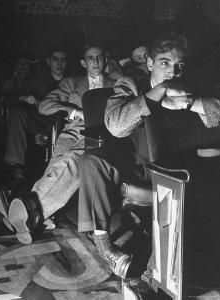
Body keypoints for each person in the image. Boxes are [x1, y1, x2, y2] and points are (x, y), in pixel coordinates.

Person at [75, 32, 220, 280]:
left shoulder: (188, 88)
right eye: (165, 63)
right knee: (91, 160)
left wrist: (188, 102)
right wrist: (159, 93)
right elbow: (116, 126)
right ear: (150, 64)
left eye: (179, 66)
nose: (173, 72)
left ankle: (160, 270)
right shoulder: (129, 84)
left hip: (175, 165)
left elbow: (216, 114)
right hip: (135, 163)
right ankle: (104, 244)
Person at [2, 44, 114, 244]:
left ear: (106, 60)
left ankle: (28, 207)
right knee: (57, 167)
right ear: (83, 62)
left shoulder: (117, 84)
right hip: (72, 132)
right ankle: (35, 218)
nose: (95, 62)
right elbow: (45, 106)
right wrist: (74, 112)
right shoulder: (72, 83)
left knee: (71, 162)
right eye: (90, 58)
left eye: (99, 57)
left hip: (100, 135)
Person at [3, 46, 68, 192]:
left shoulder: (71, 80)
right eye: (55, 59)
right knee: (17, 113)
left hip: (61, 123)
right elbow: (13, 99)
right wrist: (24, 97)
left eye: (63, 60)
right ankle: (17, 168)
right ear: (49, 61)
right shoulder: (37, 79)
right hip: (39, 121)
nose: (59, 63)